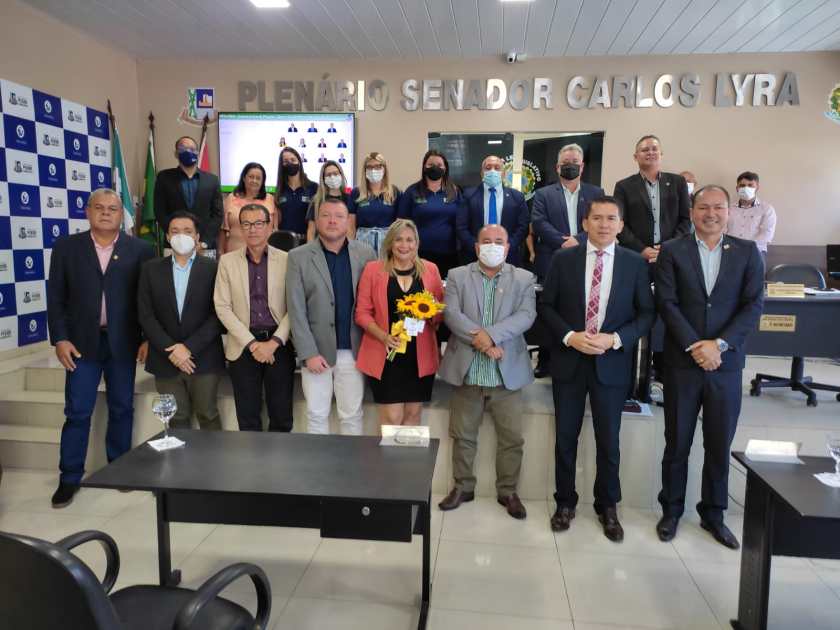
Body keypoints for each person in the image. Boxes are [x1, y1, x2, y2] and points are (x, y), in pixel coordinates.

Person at [539, 196, 655, 541]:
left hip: (612, 363)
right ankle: (565, 502)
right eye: (597, 218)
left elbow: (646, 314)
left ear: (621, 225)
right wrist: (569, 336)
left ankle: (608, 506)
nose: (604, 224)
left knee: (609, 440)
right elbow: (547, 306)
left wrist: (616, 339)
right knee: (565, 438)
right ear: (585, 223)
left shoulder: (634, 264)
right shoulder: (563, 259)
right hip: (569, 361)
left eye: (611, 218)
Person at [654, 185, 764, 549]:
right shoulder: (673, 250)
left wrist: (719, 345)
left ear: (729, 212)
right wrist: (695, 345)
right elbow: (667, 303)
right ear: (692, 212)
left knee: (719, 444)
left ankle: (713, 514)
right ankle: (671, 511)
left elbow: (753, 305)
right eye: (704, 207)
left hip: (725, 364)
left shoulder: (747, 252)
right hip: (682, 363)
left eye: (718, 207)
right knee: (677, 442)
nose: (711, 214)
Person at [46, 188, 154, 507]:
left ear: (122, 215)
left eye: (113, 208)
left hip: (124, 342)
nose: (106, 212)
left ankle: (119, 469)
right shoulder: (66, 247)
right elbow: (56, 297)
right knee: (78, 411)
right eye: (99, 207)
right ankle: (69, 478)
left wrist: (147, 337)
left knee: (121, 407)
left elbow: (147, 298)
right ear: (87, 212)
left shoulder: (141, 249)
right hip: (80, 344)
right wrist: (60, 338)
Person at [438, 225, 537, 519]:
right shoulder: (457, 275)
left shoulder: (524, 278)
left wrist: (489, 337)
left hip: (507, 373)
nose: (492, 245)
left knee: (512, 439)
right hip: (468, 370)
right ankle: (462, 487)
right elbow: (451, 314)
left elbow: (526, 316)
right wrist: (483, 342)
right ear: (476, 246)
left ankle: (508, 491)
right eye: (486, 241)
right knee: (463, 435)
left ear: (507, 247)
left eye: (498, 241)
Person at [286, 198, 377, 434]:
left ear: (348, 222)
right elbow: (296, 309)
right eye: (326, 215)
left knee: (351, 415)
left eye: (339, 216)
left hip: (353, 350)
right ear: (316, 221)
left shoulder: (366, 254)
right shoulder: (298, 256)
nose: (332, 221)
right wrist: (308, 353)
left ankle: (350, 461)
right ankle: (319, 462)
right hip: (316, 352)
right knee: (317, 415)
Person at [138, 211, 225, 430]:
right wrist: (171, 349)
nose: (181, 236)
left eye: (187, 231)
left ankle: (214, 456)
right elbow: (146, 315)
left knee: (207, 414)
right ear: (167, 236)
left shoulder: (214, 268)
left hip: (204, 358)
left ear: (197, 237)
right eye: (175, 231)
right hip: (165, 359)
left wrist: (188, 348)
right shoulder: (150, 269)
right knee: (176, 418)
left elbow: (219, 314)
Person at [214, 203, 295, 432]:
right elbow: (222, 306)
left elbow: (295, 306)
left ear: (269, 226)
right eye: (246, 224)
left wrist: (274, 342)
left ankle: (280, 457)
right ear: (240, 228)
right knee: (248, 418)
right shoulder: (227, 262)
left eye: (258, 223)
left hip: (279, 345)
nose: (252, 229)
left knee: (281, 417)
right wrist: (252, 344)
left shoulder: (288, 260)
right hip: (242, 346)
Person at [355, 219, 444, 426]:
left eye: (409, 240)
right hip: (386, 354)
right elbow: (362, 313)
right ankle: (388, 451)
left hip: (419, 356)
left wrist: (430, 312)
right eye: (399, 239)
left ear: (417, 243)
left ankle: (408, 451)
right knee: (392, 418)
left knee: (413, 415)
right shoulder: (373, 270)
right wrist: (384, 337)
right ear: (390, 243)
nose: (404, 245)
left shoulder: (430, 270)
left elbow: (439, 313)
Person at [531, 143, 605, 378]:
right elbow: (539, 222)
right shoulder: (543, 194)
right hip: (552, 258)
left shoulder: (596, 193)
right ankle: (545, 359)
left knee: (579, 306)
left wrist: (579, 240)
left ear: (582, 167)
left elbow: (600, 221)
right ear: (557, 167)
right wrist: (563, 242)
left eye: (574, 163)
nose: (570, 166)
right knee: (548, 307)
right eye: (565, 163)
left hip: (586, 256)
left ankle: (579, 353)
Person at [613, 135, 691, 265]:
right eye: (645, 150)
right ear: (635, 157)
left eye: (654, 149)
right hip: (635, 255)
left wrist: (669, 247)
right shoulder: (623, 186)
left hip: (672, 255)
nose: (650, 152)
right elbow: (619, 223)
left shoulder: (678, 182)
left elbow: (686, 220)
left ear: (661, 154)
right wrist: (641, 249)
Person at [397, 149, 463, 278]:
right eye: (430, 165)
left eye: (439, 165)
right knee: (422, 288)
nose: (435, 168)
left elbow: (462, 220)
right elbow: (401, 223)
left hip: (449, 253)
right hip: (419, 253)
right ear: (424, 167)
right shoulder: (412, 191)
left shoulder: (454, 191)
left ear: (445, 168)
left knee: (446, 288)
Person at [154, 136, 224, 255]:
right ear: (176, 153)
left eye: (192, 149)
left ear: (197, 153)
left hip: (204, 246)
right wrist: (177, 238)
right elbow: (160, 211)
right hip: (174, 245)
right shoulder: (164, 177)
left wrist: (204, 242)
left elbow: (218, 215)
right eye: (183, 148)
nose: (188, 151)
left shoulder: (212, 180)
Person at [457, 155, 529, 267]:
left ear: (503, 173)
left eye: (497, 168)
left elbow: (523, 227)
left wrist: (508, 247)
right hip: (474, 256)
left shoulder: (517, 197)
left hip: (508, 257)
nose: (492, 171)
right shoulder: (468, 195)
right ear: (482, 173)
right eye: (488, 167)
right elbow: (461, 226)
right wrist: (477, 247)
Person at [350, 152, 401, 256]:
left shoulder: (394, 192)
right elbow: (350, 226)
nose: (373, 170)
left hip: (387, 243)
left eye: (378, 166)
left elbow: (399, 224)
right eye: (369, 167)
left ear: (384, 169)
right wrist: (350, 248)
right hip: (362, 243)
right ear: (365, 170)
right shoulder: (357, 193)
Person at [219, 162, 277, 254]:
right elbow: (223, 229)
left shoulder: (270, 199)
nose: (254, 181)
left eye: (258, 178)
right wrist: (221, 252)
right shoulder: (231, 198)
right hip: (234, 253)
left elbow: (275, 229)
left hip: (264, 254)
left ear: (263, 181)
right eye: (251, 177)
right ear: (244, 178)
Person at [726, 171, 776, 264]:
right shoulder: (729, 209)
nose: (746, 188)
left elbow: (767, 234)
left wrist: (747, 248)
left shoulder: (766, 209)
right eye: (742, 185)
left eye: (750, 185)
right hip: (731, 251)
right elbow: (723, 230)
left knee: (756, 273)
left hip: (756, 251)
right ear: (737, 188)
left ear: (757, 187)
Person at [305, 160, 353, 242]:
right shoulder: (317, 200)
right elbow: (311, 230)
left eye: (335, 174)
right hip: (321, 244)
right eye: (328, 175)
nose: (332, 177)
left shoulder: (349, 199)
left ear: (341, 175)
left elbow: (351, 228)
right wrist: (310, 248)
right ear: (323, 179)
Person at [275, 146, 317, 238]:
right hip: (284, 241)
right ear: (281, 165)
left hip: (307, 240)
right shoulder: (280, 190)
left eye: (293, 160)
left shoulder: (314, 188)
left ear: (299, 162)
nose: (290, 163)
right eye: (285, 161)